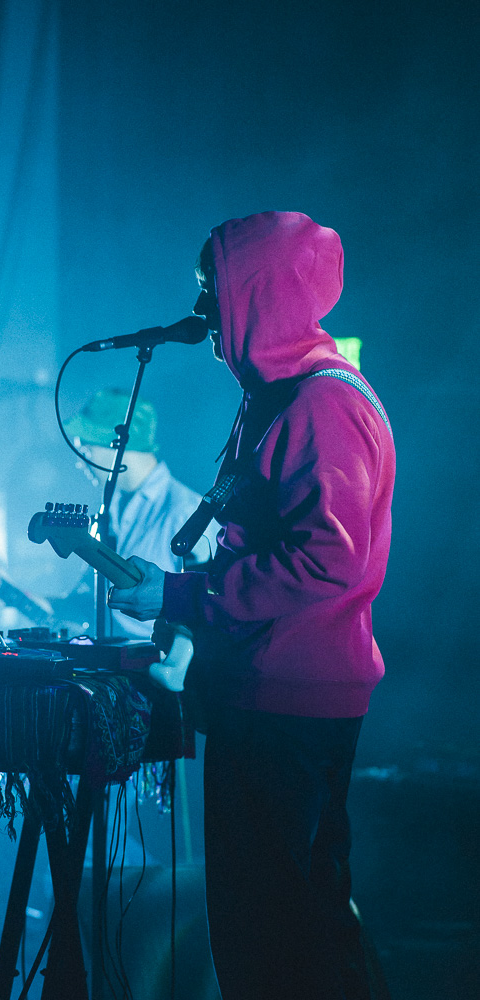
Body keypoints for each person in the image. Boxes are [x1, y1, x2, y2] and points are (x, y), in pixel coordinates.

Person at [109, 211, 396, 999]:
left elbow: (325, 562)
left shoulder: (322, 405)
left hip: (289, 703)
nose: (202, 309)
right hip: (262, 694)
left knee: (279, 936)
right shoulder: (274, 397)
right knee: (266, 929)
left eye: (214, 290)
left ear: (258, 296)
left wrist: (179, 593)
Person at [64, 387, 216, 638]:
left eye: (86, 449)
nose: (81, 461)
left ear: (116, 446)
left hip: (155, 668)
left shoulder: (187, 513)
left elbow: (211, 606)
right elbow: (88, 604)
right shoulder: (107, 511)